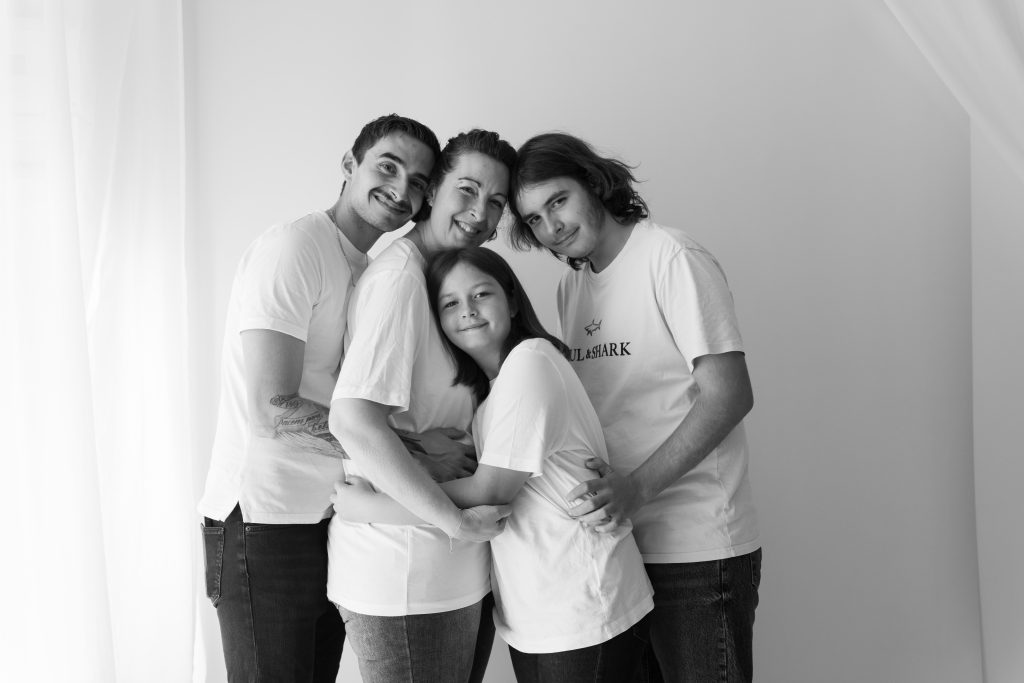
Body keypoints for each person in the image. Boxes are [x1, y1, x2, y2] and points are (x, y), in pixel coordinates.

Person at [335, 246, 655, 683]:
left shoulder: (531, 362)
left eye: (480, 294)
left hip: (584, 605)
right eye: (449, 304)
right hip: (538, 614)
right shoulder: (491, 396)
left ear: (512, 301)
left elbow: (489, 492)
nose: (466, 310)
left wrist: (369, 507)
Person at [196, 113, 442, 682]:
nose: (401, 189)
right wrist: (413, 454)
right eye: (387, 167)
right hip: (261, 523)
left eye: (418, 182)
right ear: (349, 164)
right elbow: (272, 409)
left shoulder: (375, 268)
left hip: (326, 517)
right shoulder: (296, 247)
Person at [509, 132, 762, 683]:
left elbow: (729, 394)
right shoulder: (572, 289)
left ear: (594, 182)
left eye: (558, 201)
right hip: (619, 550)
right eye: (534, 219)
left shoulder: (671, 257)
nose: (552, 226)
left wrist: (637, 489)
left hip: (695, 546)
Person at [327, 130, 517, 683]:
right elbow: (353, 419)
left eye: (497, 202)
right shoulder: (401, 280)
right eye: (467, 190)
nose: (480, 213)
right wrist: (454, 521)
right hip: (405, 572)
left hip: (449, 567)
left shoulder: (445, 284)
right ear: (433, 189)